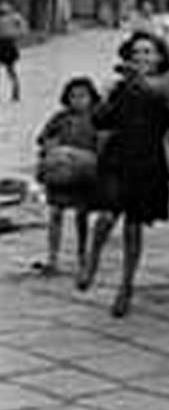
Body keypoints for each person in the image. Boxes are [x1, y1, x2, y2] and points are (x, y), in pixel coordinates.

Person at [79, 33, 169, 317]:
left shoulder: (166, 88)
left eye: (148, 52)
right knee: (107, 216)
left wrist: (168, 100)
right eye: (136, 52)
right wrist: (104, 96)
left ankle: (126, 286)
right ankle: (92, 258)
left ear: (159, 58)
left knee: (134, 227)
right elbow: (100, 121)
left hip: (148, 163)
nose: (141, 57)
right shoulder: (120, 87)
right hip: (117, 158)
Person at [33, 77, 101, 277]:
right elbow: (43, 138)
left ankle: (82, 256)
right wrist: (51, 150)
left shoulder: (97, 118)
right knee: (55, 213)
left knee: (82, 216)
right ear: (66, 98)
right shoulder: (60, 118)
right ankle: (52, 257)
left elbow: (103, 143)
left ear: (91, 98)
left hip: (84, 175)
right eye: (73, 96)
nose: (78, 100)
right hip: (60, 175)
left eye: (83, 96)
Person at [0, 0, 23, 101]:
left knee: (11, 70)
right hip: (8, 44)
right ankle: (16, 92)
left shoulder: (14, 17)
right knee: (11, 70)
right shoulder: (15, 17)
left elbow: (22, 28)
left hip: (6, 44)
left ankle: (16, 92)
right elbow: (22, 29)